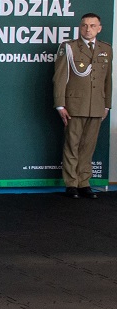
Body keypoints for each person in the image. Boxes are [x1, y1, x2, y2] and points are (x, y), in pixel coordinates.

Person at [54, 13, 112, 198]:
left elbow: (107, 80)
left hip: (96, 105)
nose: (88, 29)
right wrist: (60, 104)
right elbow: (60, 78)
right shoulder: (69, 47)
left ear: (99, 28)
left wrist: (107, 105)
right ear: (80, 27)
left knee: (88, 146)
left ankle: (84, 183)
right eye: (84, 25)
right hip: (75, 105)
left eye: (92, 25)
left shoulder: (106, 49)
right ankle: (71, 184)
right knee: (72, 144)